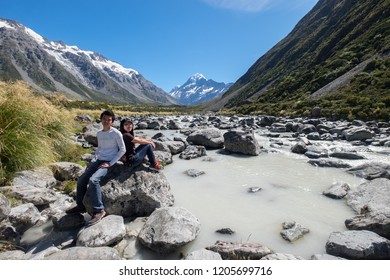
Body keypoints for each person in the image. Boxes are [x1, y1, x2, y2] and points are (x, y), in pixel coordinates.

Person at [66, 110, 126, 226]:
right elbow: (99, 148)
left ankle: (99, 210)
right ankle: (80, 206)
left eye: (109, 120)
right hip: (98, 160)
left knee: (93, 180)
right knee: (81, 180)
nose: (106, 121)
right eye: (104, 119)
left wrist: (111, 163)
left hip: (109, 162)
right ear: (101, 119)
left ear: (112, 121)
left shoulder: (116, 133)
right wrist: (94, 159)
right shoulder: (99, 133)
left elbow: (122, 149)